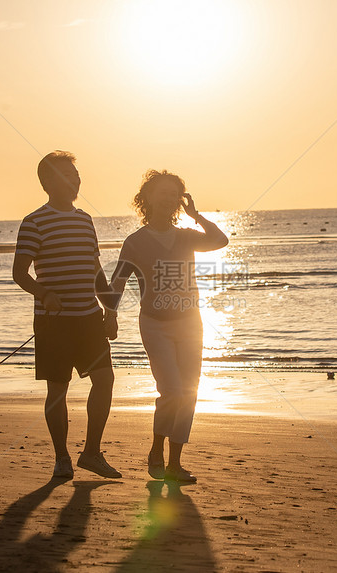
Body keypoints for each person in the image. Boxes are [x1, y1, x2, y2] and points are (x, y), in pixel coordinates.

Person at [105, 170, 228, 483]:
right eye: (161, 193)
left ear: (178, 201)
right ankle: (156, 448)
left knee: (188, 393)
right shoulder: (134, 242)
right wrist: (110, 314)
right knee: (172, 390)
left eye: (173, 194)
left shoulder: (187, 235)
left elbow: (220, 240)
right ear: (146, 198)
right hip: (155, 325)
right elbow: (117, 283)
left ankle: (175, 463)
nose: (167, 198)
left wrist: (196, 215)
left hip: (190, 323)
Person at [12, 150, 120, 479]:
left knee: (105, 380)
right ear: (48, 182)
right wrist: (44, 293)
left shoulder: (85, 220)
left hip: (88, 319)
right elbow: (19, 273)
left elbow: (95, 270)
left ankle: (91, 453)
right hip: (53, 322)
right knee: (58, 389)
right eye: (66, 175)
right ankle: (61, 458)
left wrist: (110, 308)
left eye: (76, 174)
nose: (75, 180)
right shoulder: (34, 222)